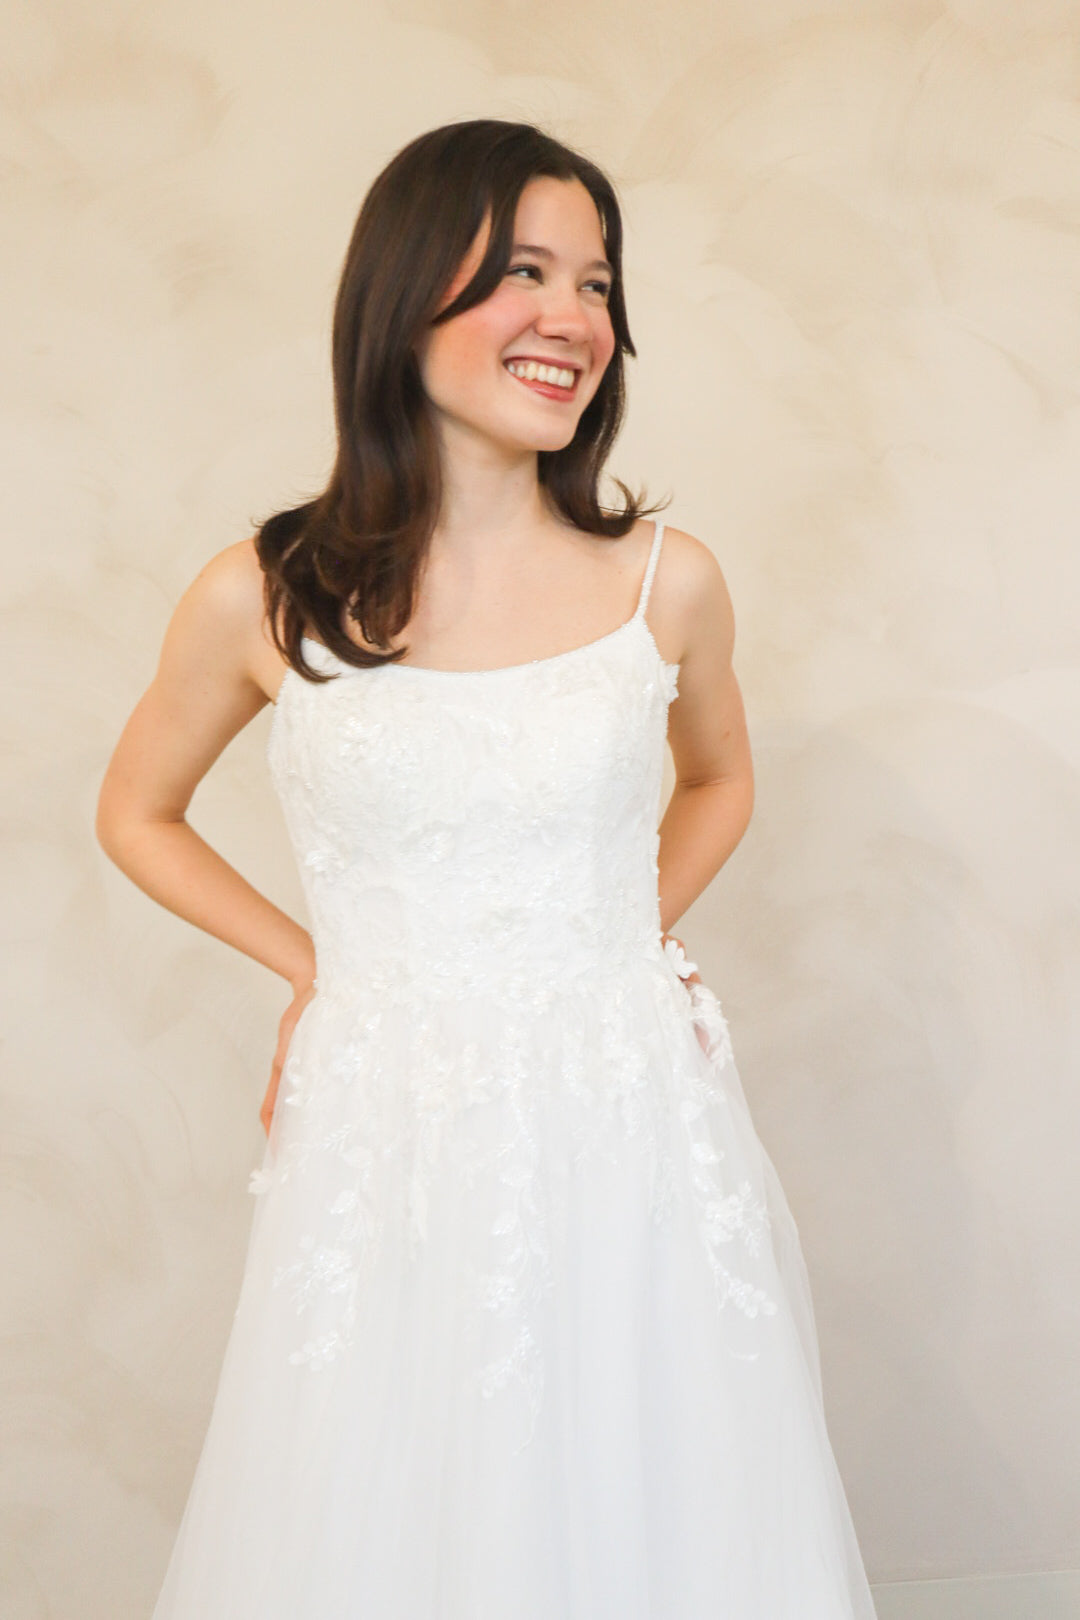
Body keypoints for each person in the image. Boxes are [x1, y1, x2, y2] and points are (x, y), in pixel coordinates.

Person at [96, 118, 878, 1619]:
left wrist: (613, 940)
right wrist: (321, 974)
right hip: (385, 1113)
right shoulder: (263, 595)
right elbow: (138, 812)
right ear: (404, 295)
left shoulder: (667, 583)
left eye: (598, 282)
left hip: (625, 1102)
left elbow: (722, 780)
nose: (573, 316)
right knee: (396, 1483)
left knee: (644, 1463)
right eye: (525, 270)